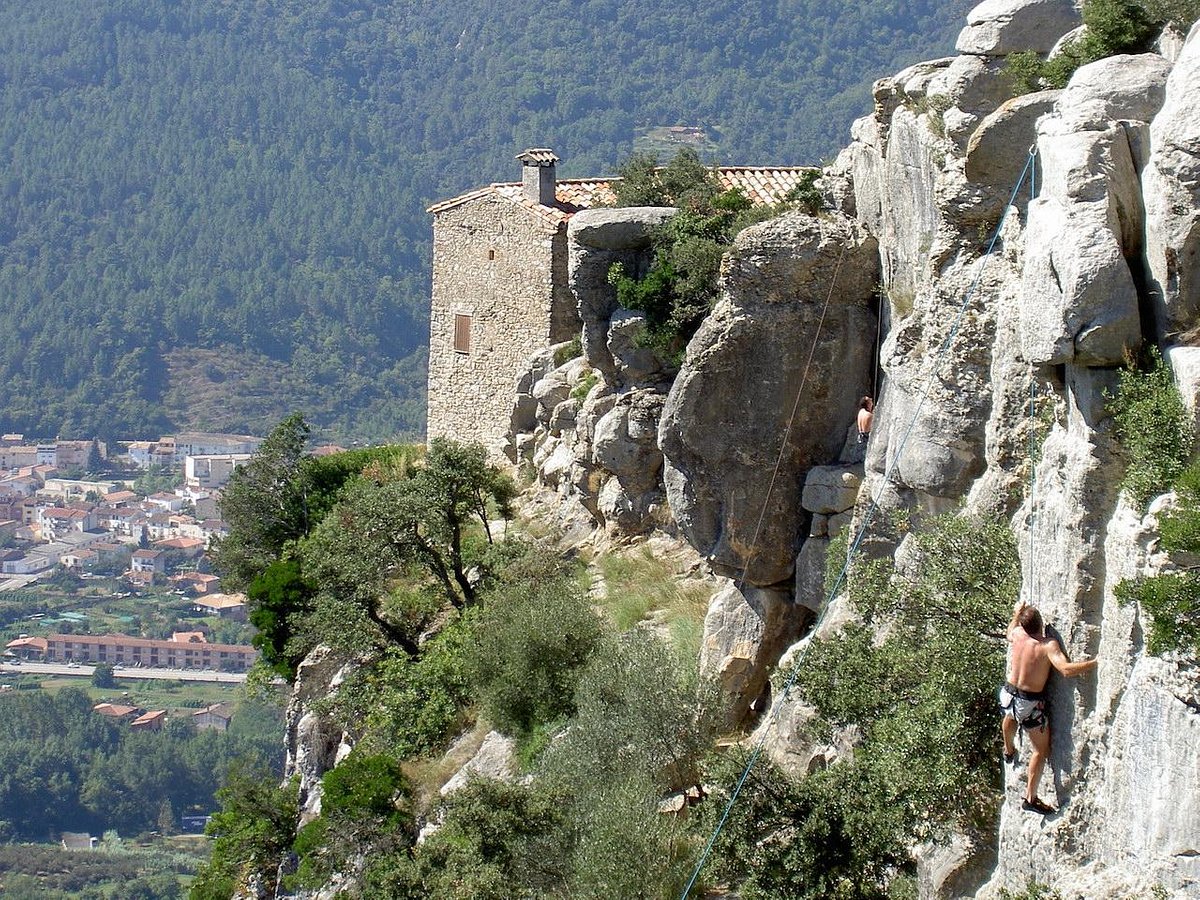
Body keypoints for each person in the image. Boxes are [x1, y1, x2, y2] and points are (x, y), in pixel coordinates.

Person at [999, 601, 1098, 814]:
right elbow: (1065, 669)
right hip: (1029, 701)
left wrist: (1016, 613)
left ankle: (1008, 750)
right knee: (1041, 751)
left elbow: (1009, 631)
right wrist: (1094, 663)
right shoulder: (1046, 645)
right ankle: (1030, 798)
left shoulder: (1017, 634)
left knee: (1010, 716)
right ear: (1040, 623)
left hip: (1008, 693)